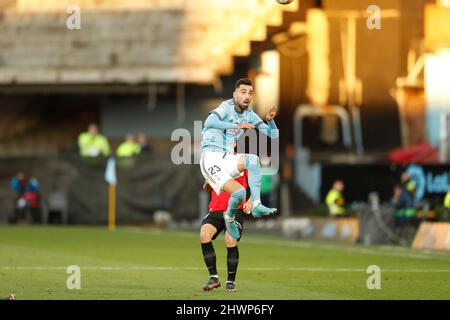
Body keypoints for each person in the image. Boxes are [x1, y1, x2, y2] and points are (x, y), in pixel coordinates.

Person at [200, 78, 279, 240]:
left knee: (253, 160)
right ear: (235, 94)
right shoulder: (226, 107)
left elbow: (273, 134)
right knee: (239, 192)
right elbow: (209, 122)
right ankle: (229, 216)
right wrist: (235, 126)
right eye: (243, 92)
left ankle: (254, 205)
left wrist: (270, 121)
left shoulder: (249, 114)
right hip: (211, 158)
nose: (247, 96)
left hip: (227, 157)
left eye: (250, 93)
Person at [200, 171, 252, 293]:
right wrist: (208, 182)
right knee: (204, 234)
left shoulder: (242, 162)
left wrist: (250, 201)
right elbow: (208, 189)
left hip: (235, 210)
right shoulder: (213, 164)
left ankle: (230, 281)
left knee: (230, 238)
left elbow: (255, 185)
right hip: (216, 210)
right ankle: (214, 278)